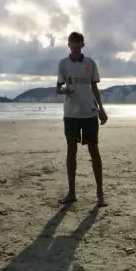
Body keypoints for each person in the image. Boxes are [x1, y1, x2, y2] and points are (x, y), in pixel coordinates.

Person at [55, 31, 108, 207]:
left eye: (78, 45)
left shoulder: (90, 63)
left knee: (94, 151)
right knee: (71, 151)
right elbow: (58, 88)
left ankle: (100, 193)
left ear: (82, 45)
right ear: (69, 44)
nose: (76, 48)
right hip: (71, 114)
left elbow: (94, 88)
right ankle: (71, 192)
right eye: (73, 45)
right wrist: (65, 91)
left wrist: (101, 109)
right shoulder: (63, 64)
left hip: (89, 113)